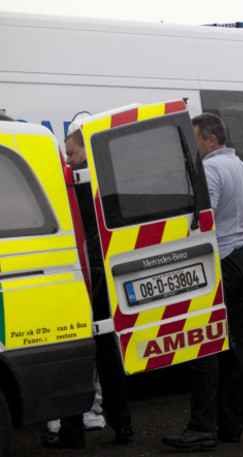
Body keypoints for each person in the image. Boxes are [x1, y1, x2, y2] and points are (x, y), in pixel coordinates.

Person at [162, 113, 243, 450]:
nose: (193, 147)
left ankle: (203, 427)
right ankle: (232, 426)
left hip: (223, 262)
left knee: (204, 344)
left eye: (195, 140)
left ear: (210, 140)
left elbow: (206, 221)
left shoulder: (211, 170)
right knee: (239, 346)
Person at [42, 123, 133, 449]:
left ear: (86, 151)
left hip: (84, 274)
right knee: (108, 352)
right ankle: (123, 425)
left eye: (72, 153)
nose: (68, 160)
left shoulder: (78, 182)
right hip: (102, 273)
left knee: (74, 350)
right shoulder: (105, 180)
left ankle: (72, 432)